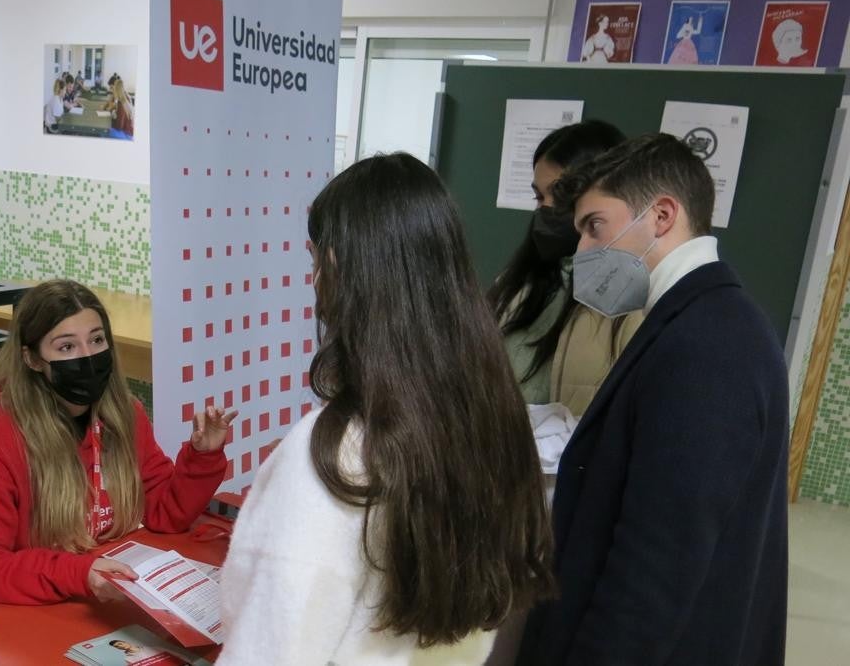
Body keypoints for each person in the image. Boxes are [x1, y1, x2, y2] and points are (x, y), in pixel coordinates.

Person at [218, 153, 555, 665]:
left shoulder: (334, 453)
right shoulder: (491, 417)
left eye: (314, 260)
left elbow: (272, 650)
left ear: (332, 264)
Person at [517, 134, 789, 665]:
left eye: (595, 226)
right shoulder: (695, 321)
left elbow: (656, 567)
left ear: (662, 215)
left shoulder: (708, 344)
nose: (582, 253)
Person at [0, 280, 236, 605]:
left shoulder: (124, 415)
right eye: (67, 347)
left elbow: (165, 511)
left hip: (103, 598)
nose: (88, 357)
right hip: (39, 611)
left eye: (96, 340)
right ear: (32, 359)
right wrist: (79, 574)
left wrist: (202, 457)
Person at [489, 120, 641, 416]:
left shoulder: (626, 298)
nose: (545, 209)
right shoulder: (517, 284)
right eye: (539, 197)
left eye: (558, 194)